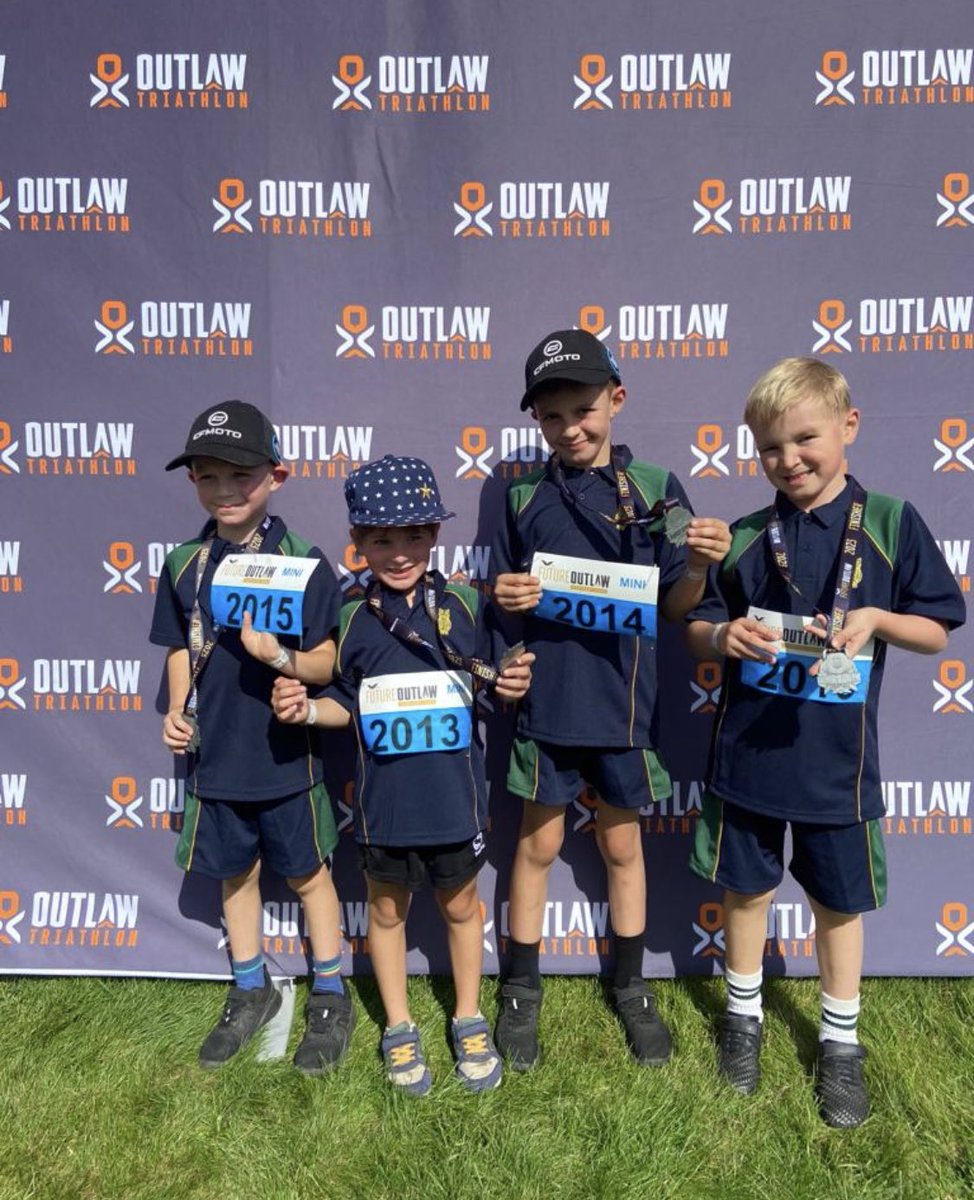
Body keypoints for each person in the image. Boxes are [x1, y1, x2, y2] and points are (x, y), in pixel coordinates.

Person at [685, 357, 966, 1127]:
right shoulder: (746, 535)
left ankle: (840, 1045)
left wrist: (877, 621)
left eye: (805, 438)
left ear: (848, 427)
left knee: (837, 906)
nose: (789, 460)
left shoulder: (890, 522)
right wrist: (724, 635)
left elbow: (939, 630)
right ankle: (742, 1023)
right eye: (771, 448)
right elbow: (700, 628)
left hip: (838, 770)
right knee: (744, 891)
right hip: (746, 757)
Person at [490, 328, 731, 1069]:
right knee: (536, 846)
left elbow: (679, 604)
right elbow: (501, 601)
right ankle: (522, 990)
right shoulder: (520, 493)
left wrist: (693, 566)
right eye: (553, 416)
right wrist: (505, 600)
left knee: (624, 847)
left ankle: (631, 986)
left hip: (626, 708)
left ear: (616, 401)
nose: (571, 428)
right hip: (550, 705)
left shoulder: (659, 488)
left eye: (584, 409)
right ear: (537, 421)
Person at [269, 455, 534, 1095]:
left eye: (414, 534)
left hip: (457, 805)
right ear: (356, 542)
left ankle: (468, 1016)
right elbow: (345, 703)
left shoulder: (468, 604)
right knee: (385, 913)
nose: (398, 552)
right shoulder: (351, 617)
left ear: (435, 535)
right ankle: (398, 1024)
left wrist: (514, 684)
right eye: (380, 538)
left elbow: (502, 681)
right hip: (384, 809)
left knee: (463, 908)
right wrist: (308, 708)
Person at [150, 400, 351, 1073]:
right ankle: (248, 988)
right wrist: (177, 709)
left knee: (307, 875)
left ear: (278, 476)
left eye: (242, 474)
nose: (226, 489)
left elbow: (327, 662)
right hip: (217, 760)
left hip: (287, 760)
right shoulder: (182, 564)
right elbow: (180, 648)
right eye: (209, 477)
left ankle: (329, 990)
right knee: (234, 876)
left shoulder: (304, 561)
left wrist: (283, 661)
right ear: (194, 484)